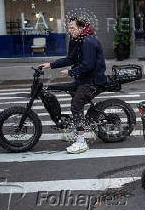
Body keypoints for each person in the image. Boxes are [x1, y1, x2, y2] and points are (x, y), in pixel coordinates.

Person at [39, 18, 107, 154]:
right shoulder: (77, 40)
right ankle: (76, 128)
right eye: (69, 28)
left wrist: (71, 72)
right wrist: (51, 65)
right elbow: (70, 58)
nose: (70, 31)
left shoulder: (88, 41)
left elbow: (88, 65)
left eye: (72, 28)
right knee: (67, 90)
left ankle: (81, 142)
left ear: (81, 28)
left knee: (76, 105)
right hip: (83, 78)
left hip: (92, 80)